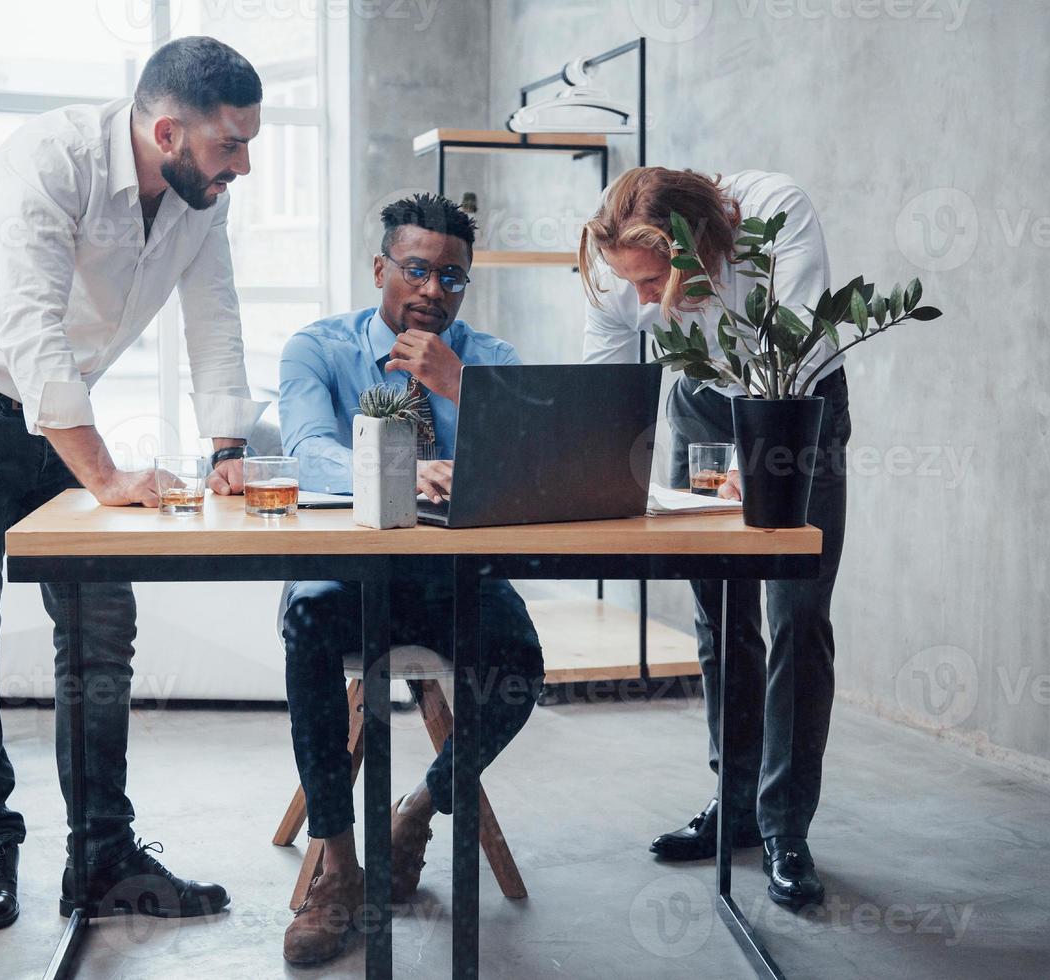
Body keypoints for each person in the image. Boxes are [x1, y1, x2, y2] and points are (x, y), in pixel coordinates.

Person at [0, 36, 267, 930]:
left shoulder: (198, 192)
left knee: (102, 622)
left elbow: (214, 312)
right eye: (230, 146)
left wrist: (227, 444)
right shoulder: (48, 158)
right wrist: (103, 477)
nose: (243, 167)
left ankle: (102, 854)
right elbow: (29, 324)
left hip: (63, 406)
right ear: (168, 131)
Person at [275, 193, 545, 965]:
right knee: (308, 630)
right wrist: (399, 465)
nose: (432, 291)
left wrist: (461, 386)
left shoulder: (489, 360)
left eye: (452, 278)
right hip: (346, 574)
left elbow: (537, 461)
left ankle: (418, 809)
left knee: (520, 668)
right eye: (417, 270)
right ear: (380, 269)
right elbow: (303, 451)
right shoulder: (318, 349)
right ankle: (336, 862)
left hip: (456, 575)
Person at [579, 167, 850, 909]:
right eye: (626, 282)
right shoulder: (614, 271)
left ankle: (784, 828)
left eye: (651, 279)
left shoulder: (776, 213)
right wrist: (593, 481)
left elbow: (790, 349)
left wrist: (750, 465)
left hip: (796, 405)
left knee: (796, 616)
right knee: (720, 618)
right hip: (701, 398)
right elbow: (606, 393)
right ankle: (733, 807)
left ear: (700, 249)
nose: (637, 299)